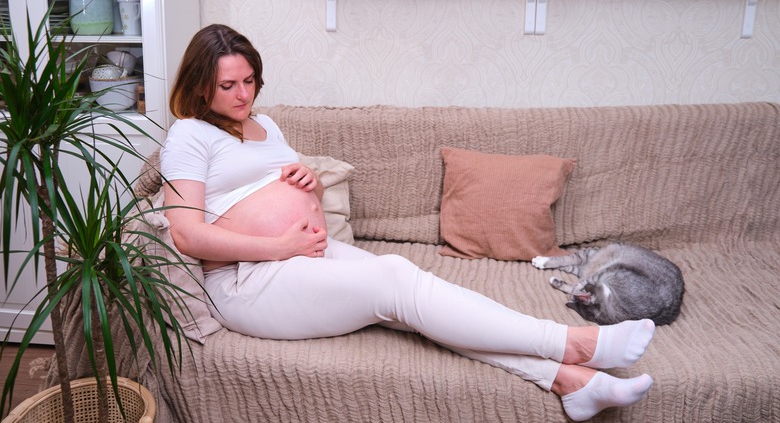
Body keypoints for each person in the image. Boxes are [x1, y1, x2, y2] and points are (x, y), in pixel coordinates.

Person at [160, 24, 655, 422]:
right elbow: (187, 234)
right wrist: (280, 245)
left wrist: (305, 175)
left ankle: (572, 382)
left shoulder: (265, 126)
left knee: (415, 302)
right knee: (396, 276)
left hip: (305, 257)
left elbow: (266, 182)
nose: (243, 94)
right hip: (247, 281)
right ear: (201, 84)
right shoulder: (190, 134)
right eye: (228, 85)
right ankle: (572, 343)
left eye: (250, 81)